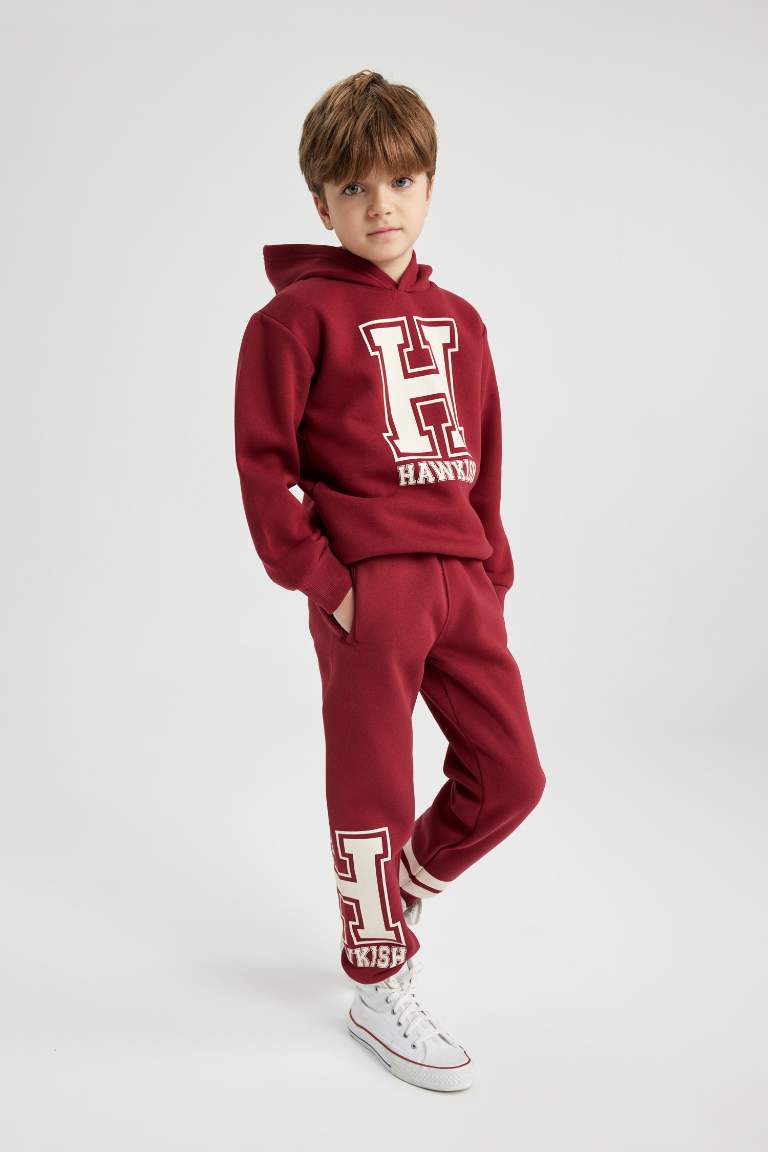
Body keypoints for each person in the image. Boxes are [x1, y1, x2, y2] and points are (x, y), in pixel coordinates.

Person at [233, 69, 546, 1093]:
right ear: (321, 201)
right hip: (369, 588)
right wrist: (329, 582)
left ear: (430, 186)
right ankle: (377, 980)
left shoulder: (463, 319)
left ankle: (400, 894)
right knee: (374, 787)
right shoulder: (291, 321)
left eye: (402, 181)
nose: (381, 205)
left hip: (461, 579)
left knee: (511, 774)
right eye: (355, 187)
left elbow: (485, 460)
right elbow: (264, 473)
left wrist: (492, 577)